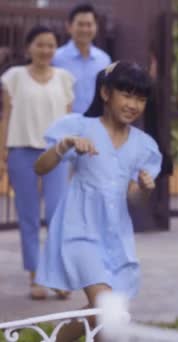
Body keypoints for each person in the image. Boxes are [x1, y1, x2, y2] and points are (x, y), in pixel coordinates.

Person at [34, 61, 161, 341]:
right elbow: (40, 168)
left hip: (117, 238)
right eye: (126, 95)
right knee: (106, 307)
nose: (133, 104)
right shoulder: (80, 127)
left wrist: (145, 189)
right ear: (106, 93)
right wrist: (63, 145)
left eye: (140, 99)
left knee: (105, 316)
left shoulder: (144, 145)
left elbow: (135, 199)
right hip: (79, 231)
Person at [0, 26, 74, 300]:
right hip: (22, 152)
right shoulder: (14, 77)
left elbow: (69, 121)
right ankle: (35, 276)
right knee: (28, 216)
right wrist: (2, 155)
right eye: (40, 44)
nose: (46, 50)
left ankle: (57, 277)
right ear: (29, 47)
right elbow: (6, 116)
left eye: (51, 45)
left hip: (57, 154)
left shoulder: (65, 79)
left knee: (57, 215)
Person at [53, 3, 111, 114]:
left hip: (95, 123)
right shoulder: (56, 58)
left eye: (89, 24)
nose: (85, 29)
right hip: (65, 122)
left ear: (96, 27)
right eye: (80, 24)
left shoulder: (104, 60)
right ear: (69, 27)